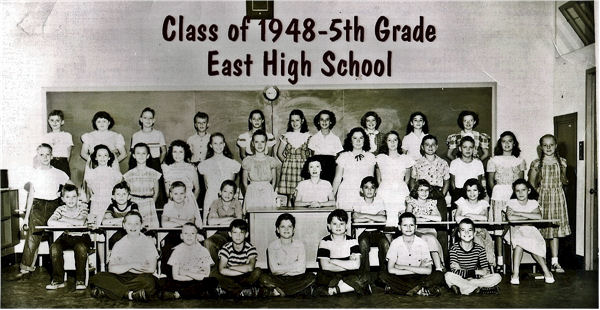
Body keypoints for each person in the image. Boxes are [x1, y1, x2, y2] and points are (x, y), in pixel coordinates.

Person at [7, 144, 70, 281]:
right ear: (37, 156)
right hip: (37, 205)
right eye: (42, 155)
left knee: (56, 238)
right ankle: (25, 269)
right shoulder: (33, 173)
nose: (45, 157)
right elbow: (31, 196)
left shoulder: (59, 173)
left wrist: (64, 195)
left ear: (52, 156)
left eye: (48, 154)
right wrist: (26, 218)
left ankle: (57, 272)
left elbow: (71, 187)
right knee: (33, 236)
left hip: (54, 205)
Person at [89, 211, 158, 302]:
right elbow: (112, 269)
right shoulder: (119, 244)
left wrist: (123, 267)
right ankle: (129, 294)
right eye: (129, 224)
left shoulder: (148, 242)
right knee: (97, 278)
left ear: (141, 225)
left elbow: (151, 269)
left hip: (140, 277)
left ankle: (110, 291)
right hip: (121, 277)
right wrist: (132, 265)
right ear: (124, 225)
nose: (133, 227)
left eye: (136, 224)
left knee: (150, 282)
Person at [528, 134, 571, 273]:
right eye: (545, 145)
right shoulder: (536, 163)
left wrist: (562, 184)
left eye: (551, 145)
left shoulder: (562, 162)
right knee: (540, 229)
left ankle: (554, 262)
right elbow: (531, 183)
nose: (548, 147)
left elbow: (564, 181)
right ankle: (541, 262)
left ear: (556, 146)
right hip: (542, 198)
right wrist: (540, 195)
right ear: (541, 147)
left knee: (555, 230)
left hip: (557, 198)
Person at [486, 131, 526, 271]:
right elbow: (490, 183)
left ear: (514, 143)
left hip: (514, 197)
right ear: (500, 143)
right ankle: (499, 261)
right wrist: (497, 194)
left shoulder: (519, 161)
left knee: (514, 228)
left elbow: (521, 182)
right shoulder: (493, 160)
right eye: (504, 141)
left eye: (510, 141)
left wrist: (516, 198)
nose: (507, 144)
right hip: (498, 196)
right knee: (499, 229)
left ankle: (514, 262)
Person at [379, 212, 444, 296]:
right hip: (401, 276)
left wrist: (402, 267)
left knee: (439, 275)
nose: (408, 228)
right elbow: (391, 269)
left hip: (418, 277)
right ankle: (419, 289)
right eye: (405, 225)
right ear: (399, 227)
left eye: (411, 225)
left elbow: (428, 270)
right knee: (382, 275)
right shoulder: (395, 243)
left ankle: (400, 290)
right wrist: (418, 269)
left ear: (416, 227)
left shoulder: (422, 243)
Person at [505, 179, 555, 284]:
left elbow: (538, 217)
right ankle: (516, 274)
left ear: (528, 191)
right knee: (519, 242)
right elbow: (511, 219)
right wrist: (529, 216)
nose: (520, 193)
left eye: (523, 190)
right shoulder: (511, 202)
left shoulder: (533, 202)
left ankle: (545, 271)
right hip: (516, 230)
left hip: (532, 230)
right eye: (517, 191)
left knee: (530, 241)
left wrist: (518, 213)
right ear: (514, 192)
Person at [410, 134, 450, 263]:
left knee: (441, 228)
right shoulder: (417, 163)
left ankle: (443, 262)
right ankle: (423, 261)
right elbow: (412, 181)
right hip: (421, 194)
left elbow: (447, 181)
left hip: (437, 194)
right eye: (427, 144)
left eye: (433, 144)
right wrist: (415, 195)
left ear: (437, 146)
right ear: (422, 147)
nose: (430, 147)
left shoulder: (443, 163)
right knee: (421, 225)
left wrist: (441, 195)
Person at [314, 209, 370, 296]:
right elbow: (325, 266)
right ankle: (346, 287)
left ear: (346, 226)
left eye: (341, 224)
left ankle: (335, 290)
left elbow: (356, 265)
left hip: (348, 274)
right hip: (330, 273)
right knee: (321, 278)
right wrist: (348, 264)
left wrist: (332, 261)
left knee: (363, 278)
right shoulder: (324, 242)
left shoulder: (352, 241)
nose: (338, 227)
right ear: (329, 226)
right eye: (335, 224)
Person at [46, 184, 91, 290]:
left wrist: (63, 220)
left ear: (78, 197)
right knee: (54, 247)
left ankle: (80, 280)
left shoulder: (83, 207)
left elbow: (80, 222)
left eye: (74, 196)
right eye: (67, 197)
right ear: (62, 199)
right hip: (67, 236)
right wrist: (68, 225)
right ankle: (58, 280)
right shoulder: (60, 209)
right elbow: (50, 222)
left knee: (80, 248)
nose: (71, 200)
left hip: (82, 236)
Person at [259, 213, 316, 297]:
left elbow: (301, 269)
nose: (286, 229)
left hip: (296, 278)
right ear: (277, 230)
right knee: (263, 277)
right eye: (283, 227)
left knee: (311, 276)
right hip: (279, 279)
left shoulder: (300, 245)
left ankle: (280, 291)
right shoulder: (272, 246)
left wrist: (281, 268)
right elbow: (274, 270)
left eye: (289, 226)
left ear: (293, 230)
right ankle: (295, 292)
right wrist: (294, 266)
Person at [160, 223, 219, 300]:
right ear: (181, 236)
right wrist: (195, 276)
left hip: (197, 281)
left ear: (197, 236)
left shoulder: (203, 251)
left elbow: (206, 275)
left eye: (192, 233)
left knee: (212, 281)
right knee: (166, 282)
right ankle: (198, 293)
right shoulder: (177, 251)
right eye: (186, 233)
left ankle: (178, 294)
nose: (189, 236)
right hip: (183, 281)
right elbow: (175, 276)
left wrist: (186, 273)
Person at [444, 218, 502, 295]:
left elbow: (486, 271)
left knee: (497, 277)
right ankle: (477, 288)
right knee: (448, 276)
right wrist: (477, 272)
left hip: (475, 279)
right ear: (458, 234)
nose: (467, 232)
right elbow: (455, 272)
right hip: (461, 279)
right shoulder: (454, 249)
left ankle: (465, 288)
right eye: (463, 230)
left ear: (474, 233)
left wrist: (465, 273)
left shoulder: (480, 249)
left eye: (470, 230)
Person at [160, 181, 203, 277]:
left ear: (185, 194)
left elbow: (190, 224)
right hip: (171, 235)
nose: (179, 196)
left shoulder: (190, 206)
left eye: (181, 193)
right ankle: (168, 277)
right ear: (171, 195)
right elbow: (164, 224)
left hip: (187, 235)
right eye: (175, 193)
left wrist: (173, 219)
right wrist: (183, 222)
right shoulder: (168, 206)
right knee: (167, 250)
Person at [197, 133, 241, 221]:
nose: (218, 146)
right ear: (210, 145)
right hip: (210, 198)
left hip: (228, 199)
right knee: (210, 227)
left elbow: (231, 184)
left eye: (221, 143)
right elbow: (206, 185)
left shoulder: (232, 164)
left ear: (224, 144)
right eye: (215, 143)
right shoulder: (204, 165)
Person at [352, 176, 389, 279]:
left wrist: (364, 215)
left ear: (375, 190)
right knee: (363, 243)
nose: (369, 190)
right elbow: (355, 219)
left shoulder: (379, 201)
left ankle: (384, 276)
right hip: (363, 232)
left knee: (385, 243)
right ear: (361, 190)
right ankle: (364, 276)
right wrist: (374, 217)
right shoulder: (357, 201)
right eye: (366, 187)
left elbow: (383, 219)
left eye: (372, 187)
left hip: (377, 232)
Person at [215, 219, 262, 297]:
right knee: (214, 273)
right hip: (229, 276)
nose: (238, 236)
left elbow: (250, 267)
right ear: (230, 234)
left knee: (258, 271)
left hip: (244, 277)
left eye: (241, 233)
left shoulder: (250, 248)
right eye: (235, 232)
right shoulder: (226, 248)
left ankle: (230, 290)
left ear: (246, 234)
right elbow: (222, 270)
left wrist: (230, 267)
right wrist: (242, 269)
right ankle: (242, 291)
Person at [405, 180, 445, 271]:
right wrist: (428, 218)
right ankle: (439, 266)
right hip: (416, 231)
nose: (424, 193)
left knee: (430, 237)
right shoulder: (412, 202)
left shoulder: (431, 203)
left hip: (430, 230)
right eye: (421, 190)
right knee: (429, 239)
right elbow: (408, 219)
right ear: (416, 191)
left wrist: (421, 216)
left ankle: (433, 268)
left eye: (426, 190)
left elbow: (439, 218)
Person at [454, 178, 495, 267]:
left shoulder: (483, 203)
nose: (472, 193)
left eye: (475, 190)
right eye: (469, 190)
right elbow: (457, 218)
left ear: (479, 191)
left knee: (486, 242)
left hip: (481, 230)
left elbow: (485, 219)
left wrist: (469, 215)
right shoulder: (462, 202)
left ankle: (486, 267)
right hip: (465, 232)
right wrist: (476, 218)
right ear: (465, 192)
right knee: (477, 240)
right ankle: (476, 266)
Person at [332, 127, 376, 211]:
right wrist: (332, 196)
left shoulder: (370, 157)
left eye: (361, 138)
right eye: (355, 138)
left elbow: (371, 179)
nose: (358, 141)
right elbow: (337, 178)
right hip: (346, 193)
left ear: (365, 140)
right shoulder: (343, 156)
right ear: (350, 140)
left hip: (363, 193)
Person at [376, 130, 414, 226]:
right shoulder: (380, 158)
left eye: (395, 140)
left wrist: (399, 188)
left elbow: (407, 179)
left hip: (400, 191)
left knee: (400, 219)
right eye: (389, 140)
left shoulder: (405, 158)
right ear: (385, 142)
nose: (392, 143)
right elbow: (379, 179)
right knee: (387, 220)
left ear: (398, 142)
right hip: (384, 191)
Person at [204, 180, 244, 264]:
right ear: (220, 192)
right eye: (225, 191)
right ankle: (217, 268)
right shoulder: (215, 202)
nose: (227, 195)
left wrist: (219, 221)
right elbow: (211, 221)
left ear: (234, 194)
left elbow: (238, 221)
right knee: (208, 242)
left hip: (235, 234)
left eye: (231, 192)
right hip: (220, 234)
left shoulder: (237, 203)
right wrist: (231, 219)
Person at [123, 143, 161, 228]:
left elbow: (156, 192)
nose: (141, 156)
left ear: (148, 156)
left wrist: (150, 204)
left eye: (143, 153)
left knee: (149, 230)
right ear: (134, 155)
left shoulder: (154, 173)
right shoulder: (128, 175)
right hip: (134, 205)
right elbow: (127, 193)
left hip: (149, 205)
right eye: (138, 153)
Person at [241, 130, 281, 212]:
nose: (259, 145)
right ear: (252, 143)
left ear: (266, 143)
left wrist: (269, 193)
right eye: (256, 142)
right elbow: (244, 183)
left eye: (262, 142)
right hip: (252, 194)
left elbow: (274, 181)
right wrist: (249, 194)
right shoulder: (247, 161)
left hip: (267, 194)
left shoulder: (271, 161)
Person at [84, 144, 123, 226]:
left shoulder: (115, 173)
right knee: (95, 225)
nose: (102, 158)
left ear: (109, 157)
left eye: (105, 155)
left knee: (108, 224)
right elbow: (90, 191)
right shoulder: (91, 174)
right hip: (96, 202)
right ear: (96, 157)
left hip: (109, 202)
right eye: (100, 155)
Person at [277, 109, 311, 199]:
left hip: (303, 168)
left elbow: (310, 155)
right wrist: (287, 162)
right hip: (289, 169)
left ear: (302, 121)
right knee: (290, 196)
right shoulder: (286, 136)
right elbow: (279, 153)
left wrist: (306, 164)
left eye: (297, 120)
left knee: (302, 195)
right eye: (292, 120)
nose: (295, 123)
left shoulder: (308, 136)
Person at [307, 110, 343, 183]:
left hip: (331, 166)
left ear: (330, 122)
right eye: (322, 119)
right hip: (317, 166)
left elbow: (338, 156)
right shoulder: (314, 138)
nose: (324, 122)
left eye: (327, 119)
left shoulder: (335, 138)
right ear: (318, 122)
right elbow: (312, 155)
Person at [161, 140, 200, 209]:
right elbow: (167, 192)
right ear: (171, 153)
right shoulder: (167, 169)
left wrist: (191, 204)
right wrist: (177, 201)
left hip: (189, 202)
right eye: (175, 152)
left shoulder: (191, 168)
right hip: (173, 202)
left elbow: (197, 189)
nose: (177, 155)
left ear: (185, 153)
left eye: (181, 152)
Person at [101, 181, 139, 249]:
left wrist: (114, 222)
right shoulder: (111, 207)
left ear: (129, 196)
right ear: (113, 197)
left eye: (124, 194)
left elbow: (135, 219)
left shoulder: (133, 205)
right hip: (116, 236)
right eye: (118, 194)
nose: (121, 196)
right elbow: (105, 222)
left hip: (132, 234)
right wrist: (125, 219)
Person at [449, 136, 485, 205]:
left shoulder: (478, 163)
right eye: (465, 147)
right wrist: (458, 197)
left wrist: (474, 195)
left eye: (470, 147)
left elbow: (479, 182)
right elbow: (452, 183)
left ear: (474, 149)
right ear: (460, 148)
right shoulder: (454, 163)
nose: (468, 150)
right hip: (458, 195)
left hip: (473, 195)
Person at [129, 107, 166, 172]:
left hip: (155, 163)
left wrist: (158, 164)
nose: (148, 120)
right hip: (140, 164)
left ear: (154, 120)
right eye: (145, 118)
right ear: (141, 119)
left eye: (150, 118)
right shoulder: (136, 136)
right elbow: (132, 153)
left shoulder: (159, 134)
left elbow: (164, 151)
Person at [40, 109, 73, 176]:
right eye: (52, 120)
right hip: (50, 162)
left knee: (64, 184)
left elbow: (68, 152)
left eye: (57, 120)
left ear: (62, 122)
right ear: (48, 121)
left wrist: (65, 164)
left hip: (63, 163)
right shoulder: (46, 136)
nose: (54, 123)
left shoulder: (67, 135)